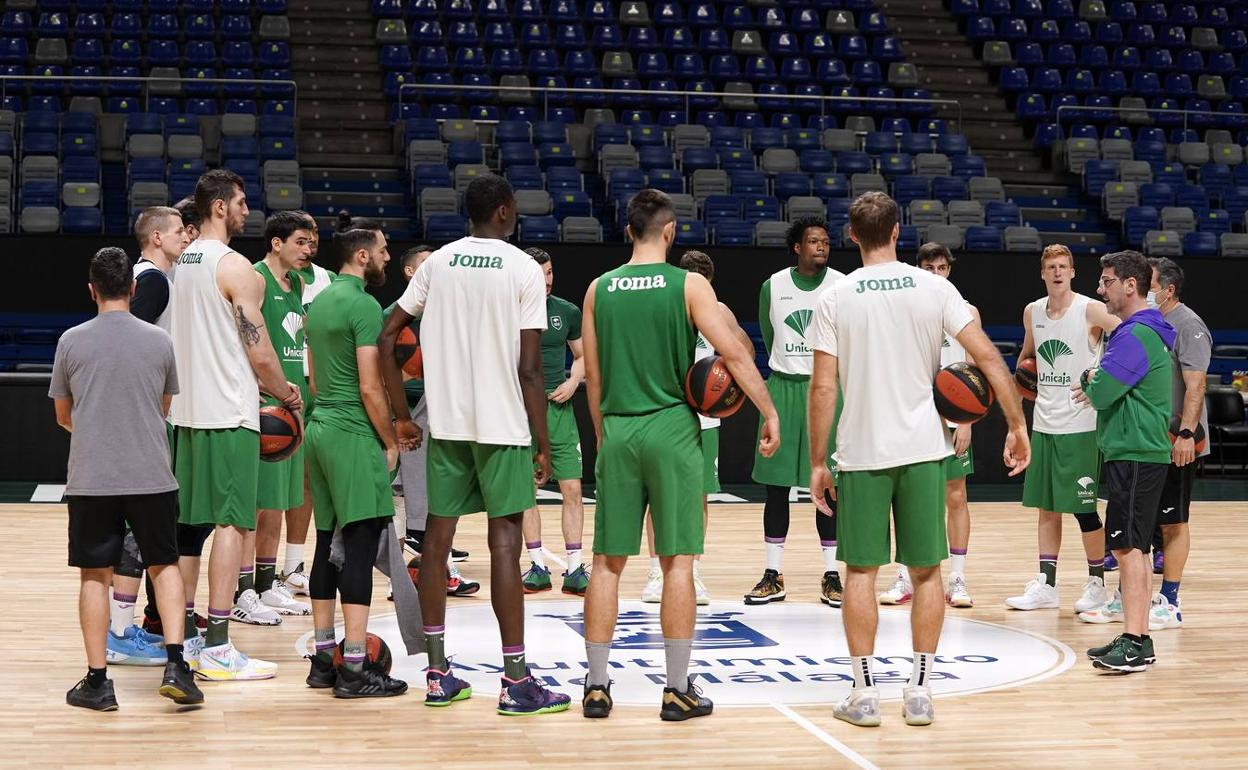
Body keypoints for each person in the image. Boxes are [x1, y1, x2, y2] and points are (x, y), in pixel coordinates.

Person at [808, 192, 1030, 727]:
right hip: (925, 451)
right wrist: (1017, 425)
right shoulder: (935, 287)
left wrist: (818, 462)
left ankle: (863, 695)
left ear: (852, 235)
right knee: (927, 573)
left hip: (861, 452)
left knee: (859, 572)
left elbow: (822, 388)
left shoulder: (836, 295)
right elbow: (988, 359)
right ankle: (919, 692)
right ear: (898, 230)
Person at [579, 189, 781, 721]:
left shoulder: (598, 289)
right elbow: (734, 352)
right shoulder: (690, 284)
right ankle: (675, 689)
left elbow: (593, 378)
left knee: (606, 564)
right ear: (669, 232)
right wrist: (769, 412)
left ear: (628, 231)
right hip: (671, 428)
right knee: (677, 564)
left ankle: (597, 687)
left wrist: (605, 437)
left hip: (619, 428)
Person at [378, 174, 570, 715]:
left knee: (436, 545)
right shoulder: (522, 268)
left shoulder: (437, 262)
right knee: (505, 546)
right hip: (503, 427)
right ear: (505, 212)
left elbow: (387, 336)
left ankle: (437, 674)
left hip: (447, 426)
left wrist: (400, 417)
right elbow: (531, 370)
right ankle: (515, 682)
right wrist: (542, 443)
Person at [51, 246, 202, 710]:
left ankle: (98, 682)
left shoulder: (71, 341)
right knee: (165, 566)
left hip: (92, 479)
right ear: (134, 289)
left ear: (92, 290)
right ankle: (178, 666)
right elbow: (163, 408)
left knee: (94, 575)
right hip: (153, 475)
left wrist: (99, 430)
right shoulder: (160, 342)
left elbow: (63, 415)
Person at [168, 169, 302, 679]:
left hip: (186, 413)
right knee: (232, 524)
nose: (248, 210)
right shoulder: (236, 267)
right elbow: (259, 349)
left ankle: (183, 638)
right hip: (228, 412)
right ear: (219, 207)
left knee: (187, 532)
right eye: (242, 202)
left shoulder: (182, 263)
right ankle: (219, 646)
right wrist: (286, 392)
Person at [301, 216, 409, 698]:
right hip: (350, 432)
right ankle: (355, 669)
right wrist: (388, 441)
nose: (388, 257)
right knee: (360, 548)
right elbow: (370, 385)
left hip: (319, 428)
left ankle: (324, 661)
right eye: (383, 250)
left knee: (327, 542)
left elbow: (316, 380)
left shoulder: (318, 301)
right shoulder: (365, 306)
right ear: (362, 255)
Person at [1073, 250, 1175, 673]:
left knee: (1129, 547)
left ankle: (1137, 641)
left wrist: (1088, 379)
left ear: (1130, 286)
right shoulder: (1141, 332)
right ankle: (1137, 636)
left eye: (1107, 280)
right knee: (1133, 546)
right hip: (1136, 453)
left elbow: (1099, 393)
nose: (1101, 288)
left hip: (1135, 453)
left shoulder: (1135, 335)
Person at [1008, 244, 1119, 615]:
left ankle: (1096, 583)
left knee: (1084, 511)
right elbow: (1027, 360)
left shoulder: (1091, 309)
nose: (1057, 272)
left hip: (1082, 426)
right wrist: (1022, 385)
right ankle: (1047, 585)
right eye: (1050, 267)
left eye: (1063, 267)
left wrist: (1104, 379)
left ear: (1073, 272)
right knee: (1047, 508)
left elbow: (1132, 336)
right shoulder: (1032, 312)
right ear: (1042, 273)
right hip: (1044, 423)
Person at [641, 249, 754, 606]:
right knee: (656, 497)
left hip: (704, 418)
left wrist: (724, 377)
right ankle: (657, 572)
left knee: (698, 497)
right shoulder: (664, 308)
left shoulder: (719, 313)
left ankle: (692, 571)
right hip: (667, 412)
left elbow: (746, 351)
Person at [746, 217, 845, 608]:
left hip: (826, 391)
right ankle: (773, 574)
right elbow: (771, 338)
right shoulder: (774, 285)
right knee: (776, 489)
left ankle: (832, 574)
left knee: (830, 490)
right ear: (797, 247)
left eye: (825, 241)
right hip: (784, 389)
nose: (821, 246)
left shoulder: (841, 284)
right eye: (813, 241)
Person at [877, 243, 981, 609]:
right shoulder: (905, 308)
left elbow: (975, 371)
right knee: (909, 498)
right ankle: (905, 575)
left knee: (956, 496)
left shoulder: (967, 311)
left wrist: (966, 420)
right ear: (917, 268)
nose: (936, 273)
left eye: (942, 267)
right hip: (915, 415)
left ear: (949, 270)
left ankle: (958, 578)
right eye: (928, 267)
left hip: (954, 417)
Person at [107, 207, 189, 664]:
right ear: (156, 237)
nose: (185, 238)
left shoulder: (151, 279)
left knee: (138, 528)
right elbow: (122, 341)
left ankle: (123, 627)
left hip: (138, 419)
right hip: (141, 422)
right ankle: (119, 632)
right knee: (138, 528)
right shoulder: (153, 281)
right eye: (179, 232)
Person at [232, 211, 318, 624]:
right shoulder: (256, 278)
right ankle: (242, 591)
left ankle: (267, 584)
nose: (309, 249)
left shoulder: (298, 283)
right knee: (253, 508)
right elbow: (246, 340)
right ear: (276, 243)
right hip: (265, 404)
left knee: (277, 504)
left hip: (292, 403)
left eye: (312, 242)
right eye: (301, 241)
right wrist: (271, 388)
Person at [386, 244, 478, 598]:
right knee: (399, 498)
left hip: (437, 409)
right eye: (427, 264)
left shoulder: (447, 312)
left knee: (426, 496)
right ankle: (403, 577)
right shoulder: (392, 315)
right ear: (412, 272)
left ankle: (438, 571)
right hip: (400, 413)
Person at [519, 246, 590, 597]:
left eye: (549, 272)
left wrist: (573, 381)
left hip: (557, 408)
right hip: (519, 410)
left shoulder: (567, 311)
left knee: (572, 489)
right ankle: (536, 565)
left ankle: (576, 568)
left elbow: (582, 357)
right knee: (525, 490)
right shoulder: (507, 308)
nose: (546, 280)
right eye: (538, 273)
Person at [1145, 257, 1208, 631]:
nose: (1144, 289)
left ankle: (1170, 600)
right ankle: (1132, 594)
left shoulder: (1188, 324)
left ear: (1168, 290)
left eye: (1150, 284)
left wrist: (1185, 434)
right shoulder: (1150, 322)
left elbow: (1196, 385)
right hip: (1148, 439)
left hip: (1176, 440)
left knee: (1173, 522)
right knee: (1144, 521)